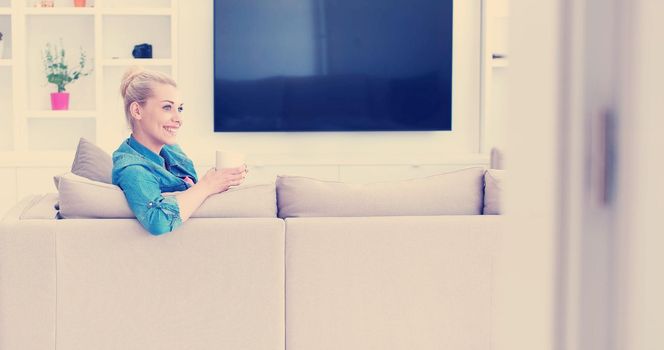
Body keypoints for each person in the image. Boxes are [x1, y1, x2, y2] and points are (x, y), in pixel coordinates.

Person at [112, 67, 247, 235]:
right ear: (137, 111)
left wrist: (220, 180)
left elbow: (193, 187)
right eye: (167, 107)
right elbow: (158, 221)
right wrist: (208, 185)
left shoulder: (171, 150)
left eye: (180, 109)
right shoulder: (132, 169)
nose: (178, 119)